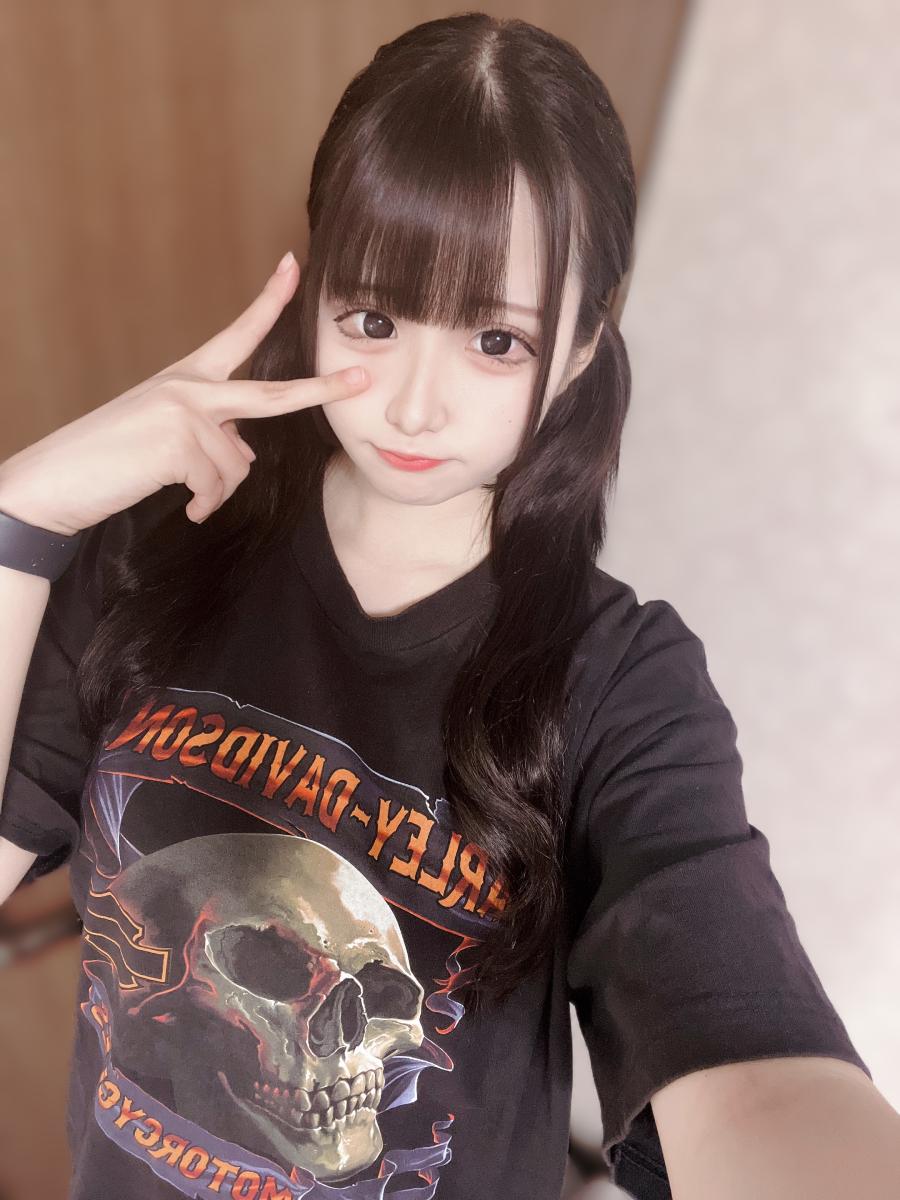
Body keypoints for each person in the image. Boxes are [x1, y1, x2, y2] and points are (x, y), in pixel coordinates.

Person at [0, 13, 880, 1200]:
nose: (415, 407)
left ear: (585, 343)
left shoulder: (620, 685)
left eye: (494, 341)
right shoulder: (154, 556)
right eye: (375, 320)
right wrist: (24, 508)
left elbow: (755, 1062)